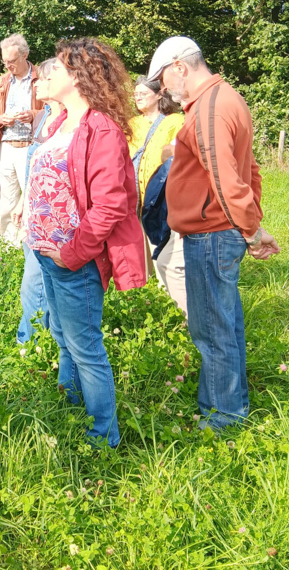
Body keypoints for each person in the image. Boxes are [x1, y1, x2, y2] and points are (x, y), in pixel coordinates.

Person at [147, 36, 280, 430]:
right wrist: (252, 225)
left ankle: (223, 419)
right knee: (226, 325)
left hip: (211, 233)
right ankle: (231, 405)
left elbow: (226, 180)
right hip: (222, 230)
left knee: (212, 330)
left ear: (179, 66)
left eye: (163, 80)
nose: (163, 90)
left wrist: (251, 231)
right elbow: (249, 170)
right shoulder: (226, 98)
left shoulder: (209, 107)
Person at [25, 39, 147, 447]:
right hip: (48, 254)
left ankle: (103, 437)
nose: (48, 74)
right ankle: (70, 408)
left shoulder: (101, 130)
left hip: (75, 259)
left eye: (57, 69)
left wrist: (73, 253)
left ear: (78, 77)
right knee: (63, 336)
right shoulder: (61, 123)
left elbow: (110, 205)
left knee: (86, 348)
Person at [10, 58, 62, 343]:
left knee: (34, 285)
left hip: (53, 219)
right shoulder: (42, 116)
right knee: (36, 283)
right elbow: (35, 166)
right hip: (33, 213)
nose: (36, 83)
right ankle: (46, 341)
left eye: (42, 79)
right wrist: (22, 202)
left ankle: (29, 346)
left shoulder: (71, 121)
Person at [128, 75, 188, 314]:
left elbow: (179, 155)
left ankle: (171, 305)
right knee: (138, 256)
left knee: (163, 251)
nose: (138, 97)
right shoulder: (132, 124)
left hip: (161, 198)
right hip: (134, 197)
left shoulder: (175, 121)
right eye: (135, 94)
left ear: (159, 94)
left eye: (143, 93)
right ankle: (145, 304)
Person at [0, 34, 43, 247]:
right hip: (5, 148)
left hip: (31, 146)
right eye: (5, 61)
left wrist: (33, 115)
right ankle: (7, 246)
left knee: (31, 198)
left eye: (12, 61)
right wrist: (0, 119)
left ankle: (29, 242)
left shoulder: (42, 78)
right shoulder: (0, 82)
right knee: (6, 200)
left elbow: (56, 110)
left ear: (24, 55)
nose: (8, 66)